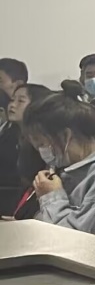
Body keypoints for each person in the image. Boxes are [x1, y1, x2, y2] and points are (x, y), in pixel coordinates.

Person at [23, 91, 95, 237]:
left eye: (42, 144)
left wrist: (51, 197)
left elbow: (81, 240)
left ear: (66, 136)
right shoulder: (70, 168)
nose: (42, 151)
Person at [0, 83, 51, 214]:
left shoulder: (44, 142)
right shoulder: (8, 134)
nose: (12, 105)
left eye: (20, 101)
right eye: (12, 100)